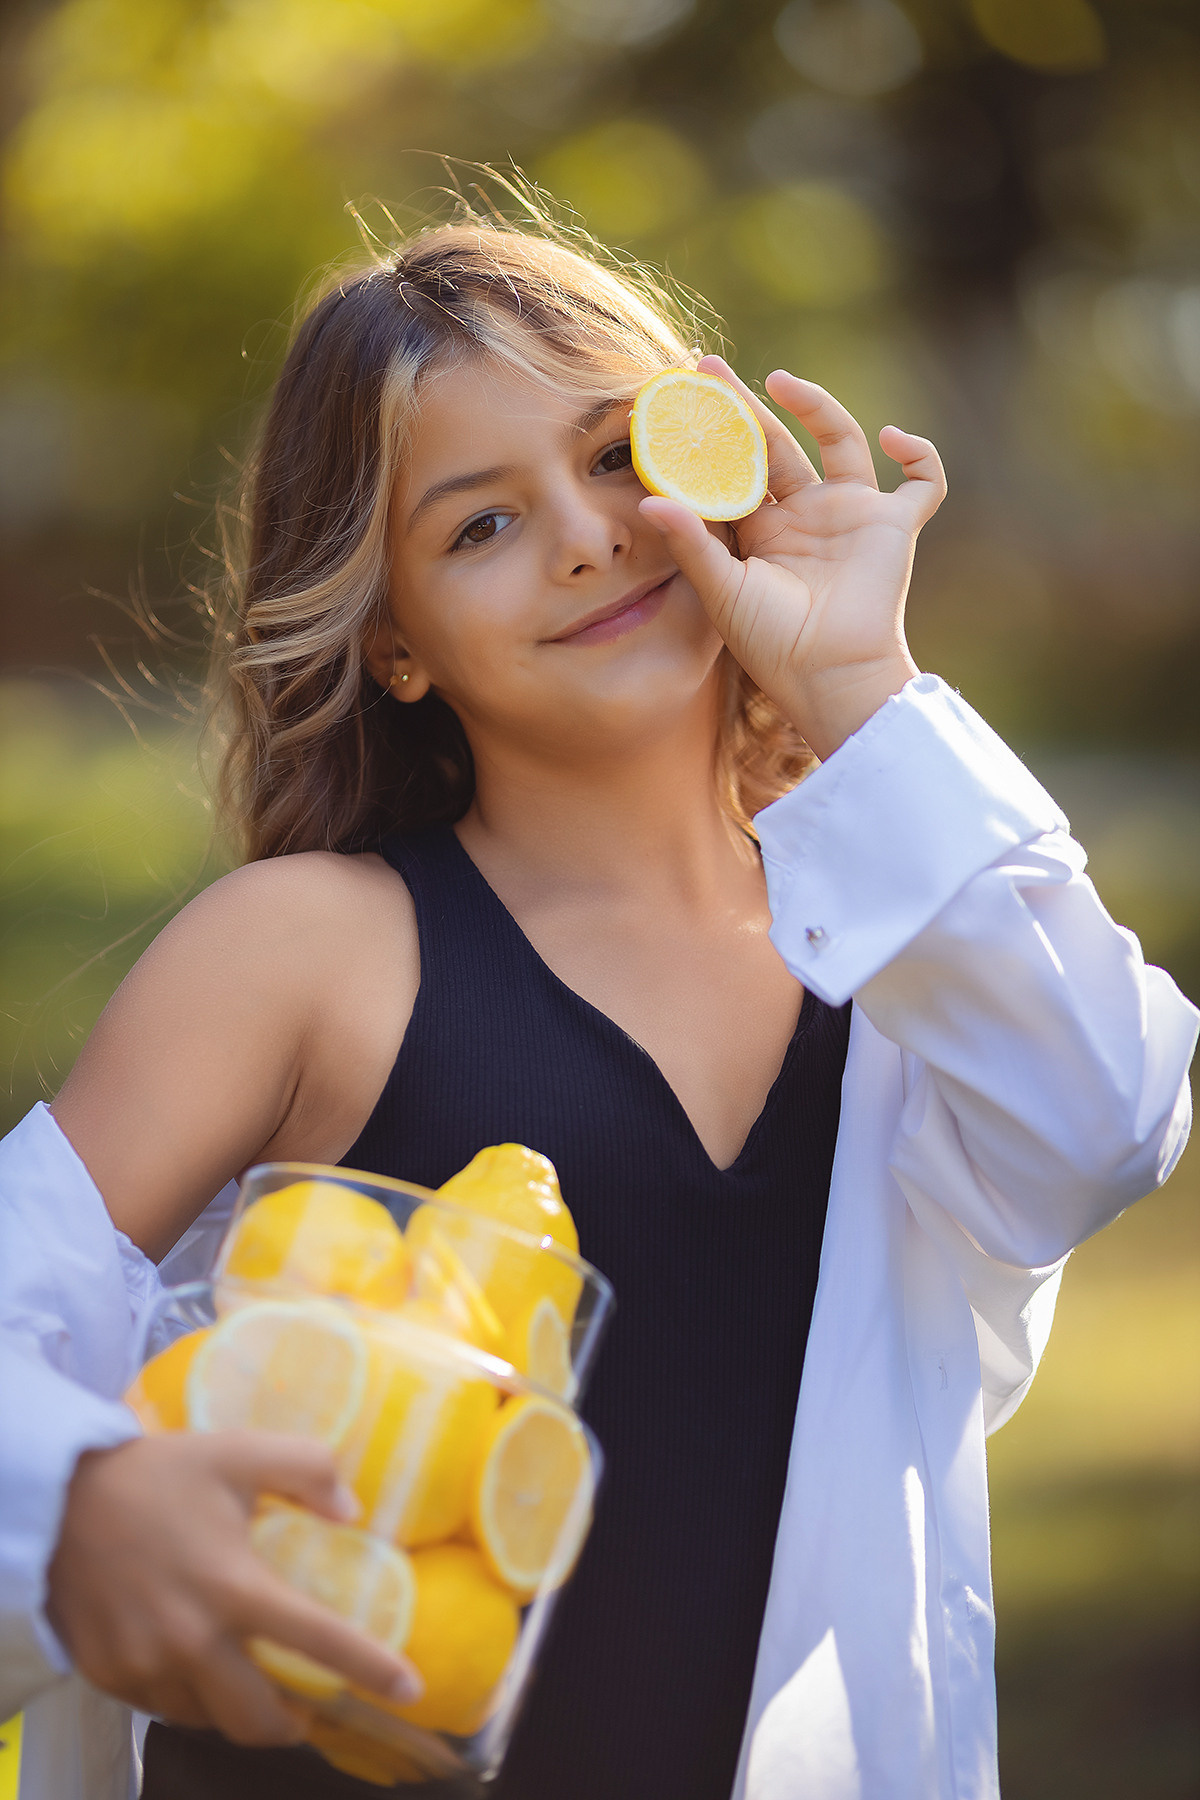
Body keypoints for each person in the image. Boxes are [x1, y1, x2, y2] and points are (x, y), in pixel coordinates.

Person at [0, 208, 1195, 1800]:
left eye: (623, 456)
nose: (584, 537)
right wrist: (79, 1495)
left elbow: (1109, 1123)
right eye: (479, 526)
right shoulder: (306, 953)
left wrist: (862, 688)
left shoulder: (902, 946)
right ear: (394, 642)